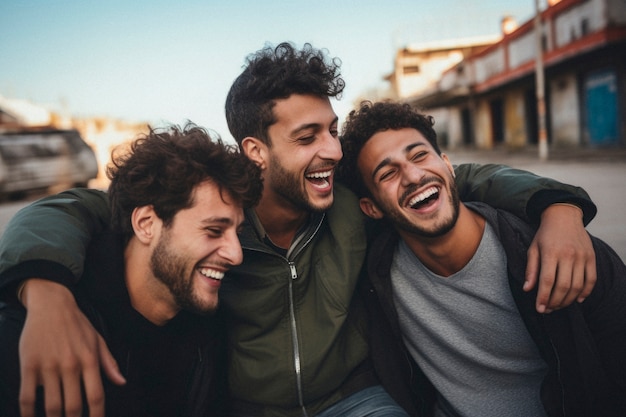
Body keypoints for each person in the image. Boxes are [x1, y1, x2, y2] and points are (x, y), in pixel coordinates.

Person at [0, 42, 598, 417]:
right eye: (308, 137)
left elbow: (458, 174)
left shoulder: (349, 201)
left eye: (333, 131)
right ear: (256, 150)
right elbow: (69, 209)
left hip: (357, 399)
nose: (334, 151)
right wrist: (45, 291)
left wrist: (559, 207)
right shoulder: (220, 216)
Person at [337, 100, 626, 417]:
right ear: (371, 208)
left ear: (449, 166)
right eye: (388, 173)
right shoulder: (375, 276)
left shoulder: (563, 252)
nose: (413, 176)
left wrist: (563, 207)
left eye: (419, 155)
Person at [0, 123, 264, 417]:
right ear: (146, 224)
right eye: (214, 231)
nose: (236, 255)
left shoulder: (206, 329)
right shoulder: (34, 332)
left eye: (236, 233)